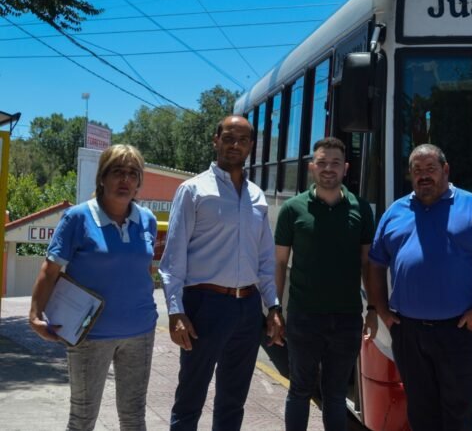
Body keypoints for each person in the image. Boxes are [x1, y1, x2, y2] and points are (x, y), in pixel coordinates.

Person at [367, 144, 472, 430]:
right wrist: (382, 310)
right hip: (409, 333)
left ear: (445, 170)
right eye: (417, 170)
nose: (424, 176)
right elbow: (375, 264)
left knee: (460, 415)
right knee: (422, 414)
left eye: (430, 169)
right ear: (410, 175)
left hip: (459, 333)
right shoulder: (395, 212)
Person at [159, 115, 283, 431]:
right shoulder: (193, 190)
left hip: (247, 308)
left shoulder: (257, 197)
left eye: (242, 140)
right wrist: (176, 311)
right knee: (190, 398)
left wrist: (273, 307)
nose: (235, 145)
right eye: (228, 138)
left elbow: (265, 259)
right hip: (204, 305)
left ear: (251, 146)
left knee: (233, 400)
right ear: (216, 140)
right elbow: (173, 258)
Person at [29, 144, 158, 430]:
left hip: (140, 333)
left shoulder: (146, 220)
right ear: (102, 177)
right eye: (117, 172)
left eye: (132, 174)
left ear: (139, 181)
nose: (125, 180)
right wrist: (35, 315)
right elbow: (50, 270)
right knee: (83, 419)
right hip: (90, 334)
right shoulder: (77, 218)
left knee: (134, 417)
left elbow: (142, 272)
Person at [274, 136, 377, 431]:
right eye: (322, 163)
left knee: (334, 396)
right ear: (311, 168)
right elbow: (280, 263)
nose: (328, 168)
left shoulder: (361, 209)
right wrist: (275, 309)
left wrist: (372, 308)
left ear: (345, 168)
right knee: (300, 391)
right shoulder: (293, 209)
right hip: (304, 317)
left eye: (334, 163)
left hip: (346, 319)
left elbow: (368, 264)